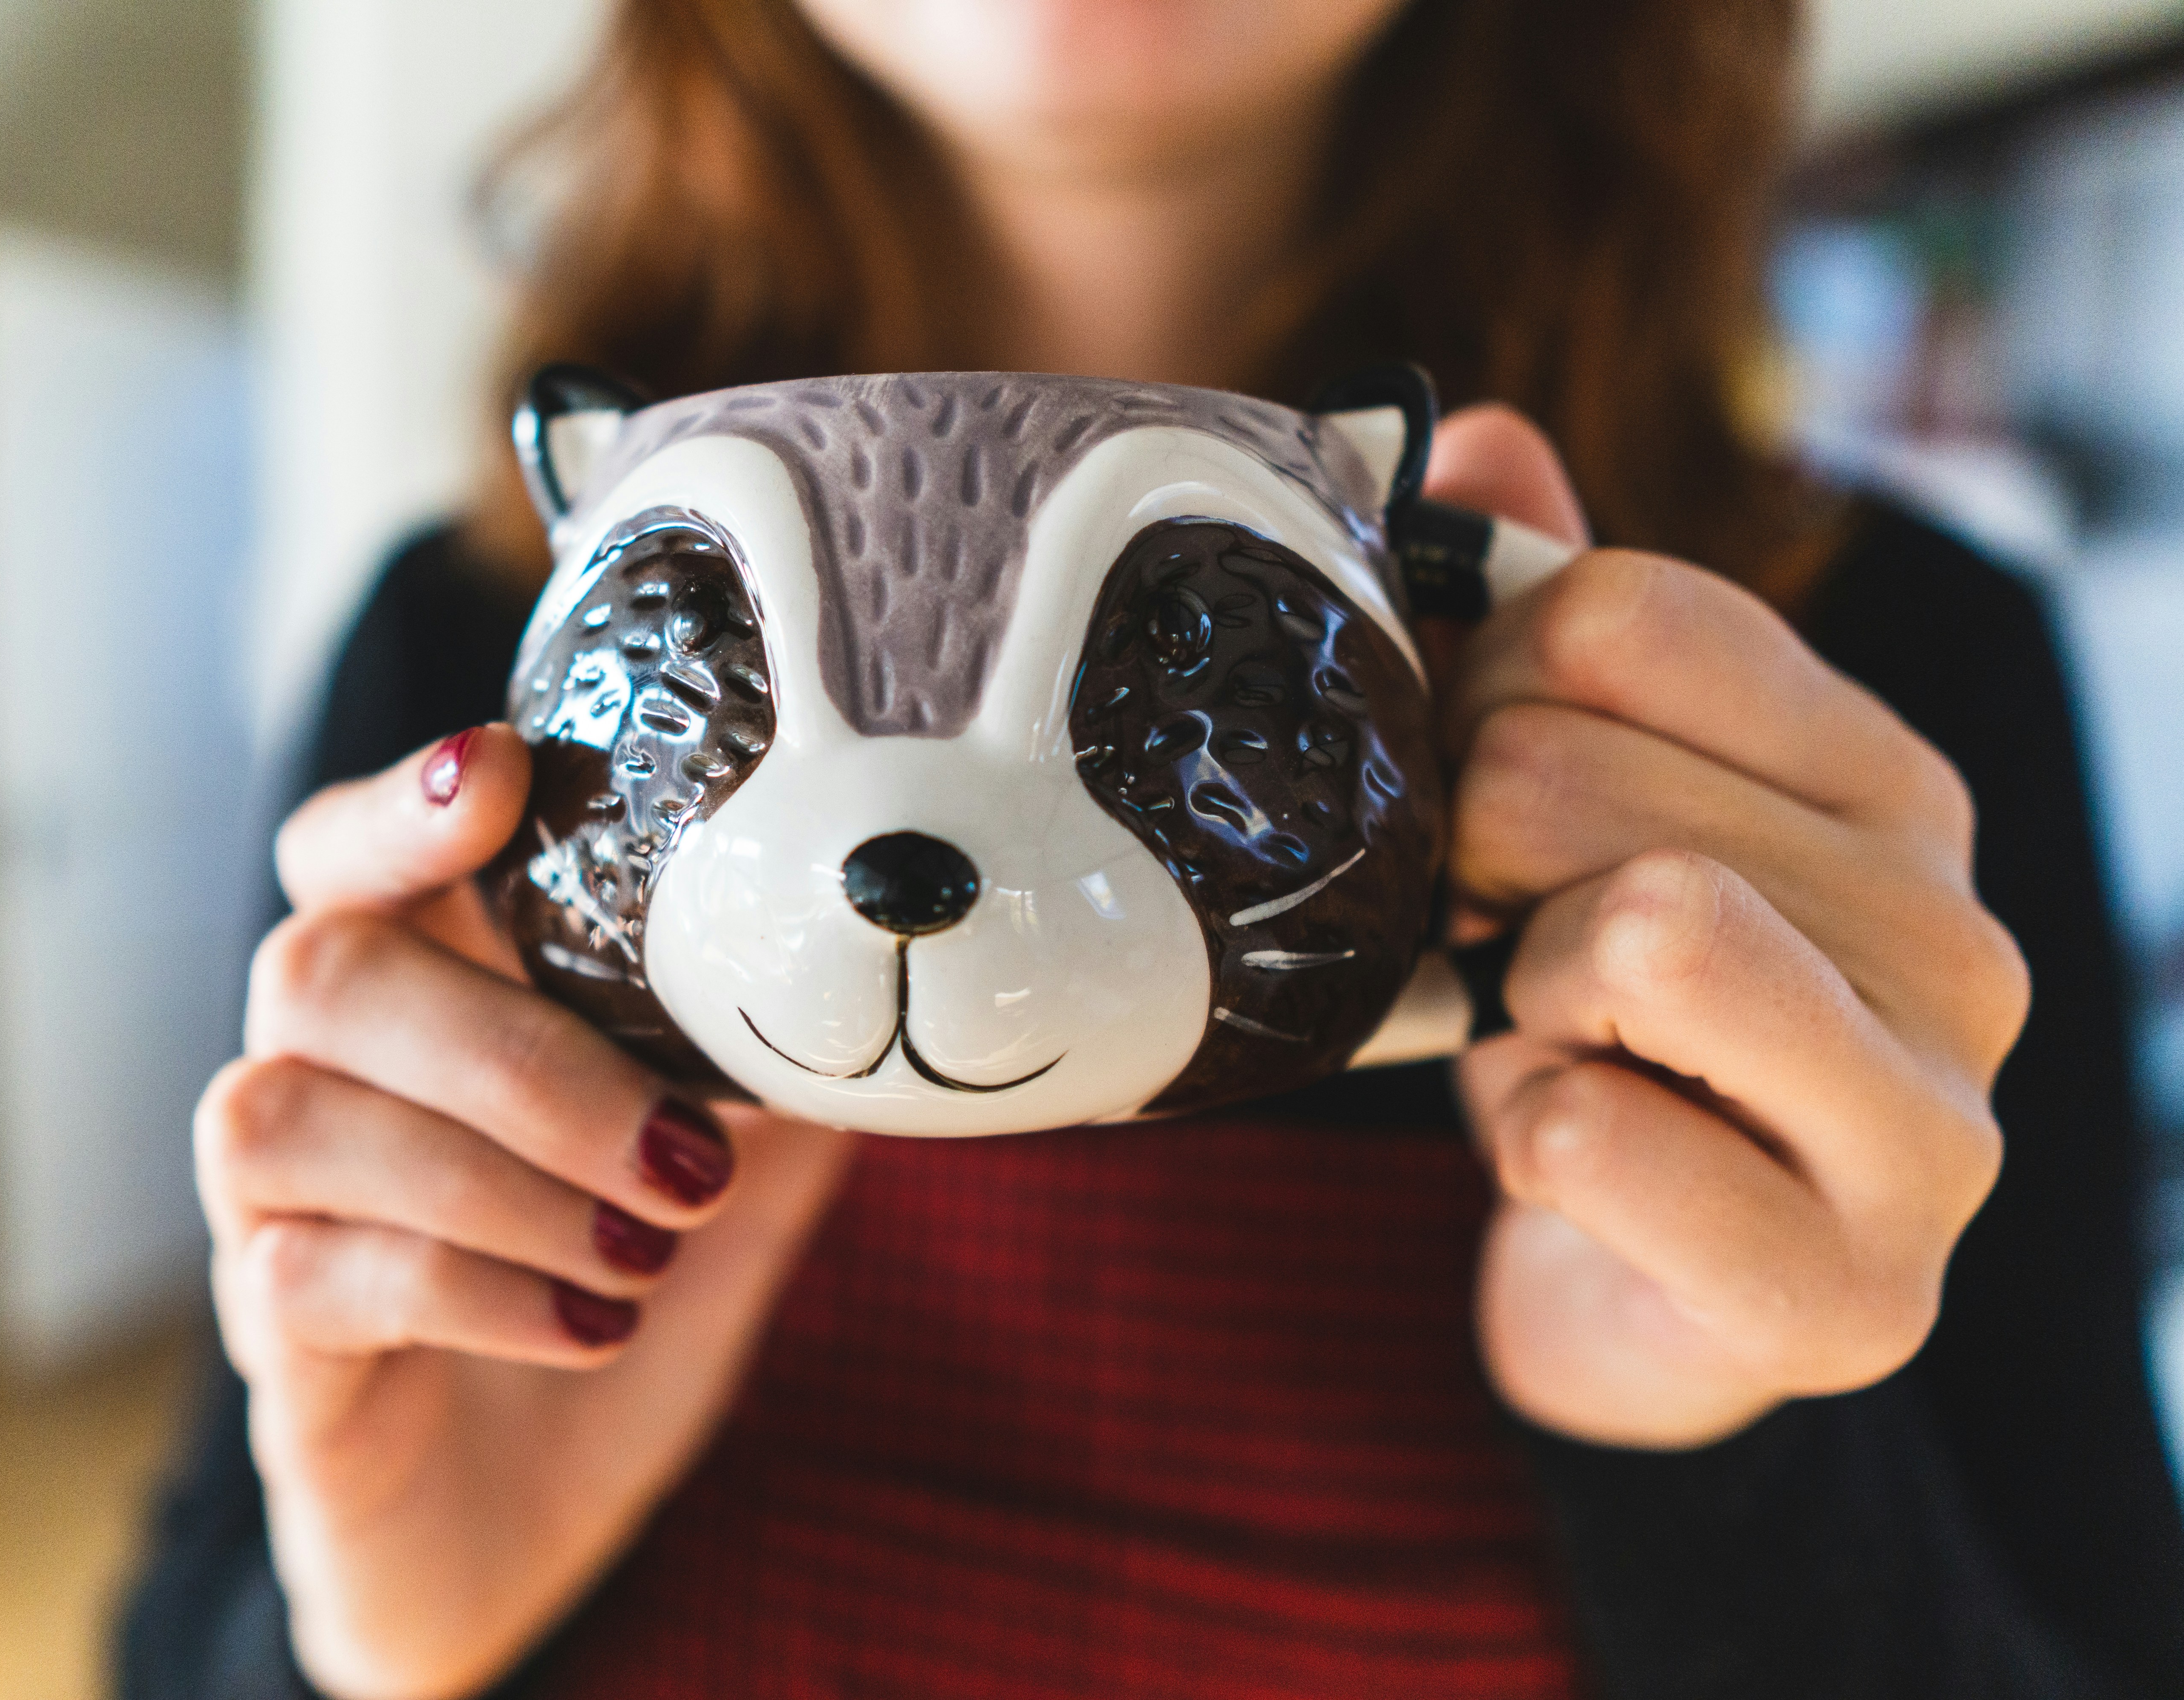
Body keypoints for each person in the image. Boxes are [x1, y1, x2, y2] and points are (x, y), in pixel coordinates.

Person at [119, 2, 2184, 1695]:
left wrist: (1703, 1415)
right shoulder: (468, 678)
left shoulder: (1835, 734)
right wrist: (381, 1639)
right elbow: (182, 1634)